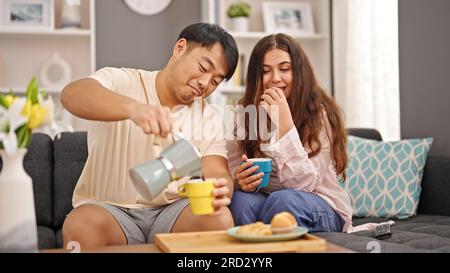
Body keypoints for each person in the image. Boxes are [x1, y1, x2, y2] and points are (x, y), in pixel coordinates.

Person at [60, 23, 239, 249]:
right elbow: (71, 95)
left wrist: (221, 188)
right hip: (110, 210)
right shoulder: (122, 81)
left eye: (215, 81)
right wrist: (135, 109)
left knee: (219, 218)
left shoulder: (209, 117)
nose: (205, 83)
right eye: (203, 67)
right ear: (180, 48)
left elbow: (217, 171)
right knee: (81, 225)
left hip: (173, 212)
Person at [227, 33, 353, 233]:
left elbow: (305, 185)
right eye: (265, 71)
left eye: (285, 69)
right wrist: (238, 179)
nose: (275, 78)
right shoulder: (244, 113)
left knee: (284, 202)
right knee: (240, 201)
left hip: (320, 202)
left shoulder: (320, 113)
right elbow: (231, 167)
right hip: (266, 197)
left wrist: (284, 124)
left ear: (299, 72)